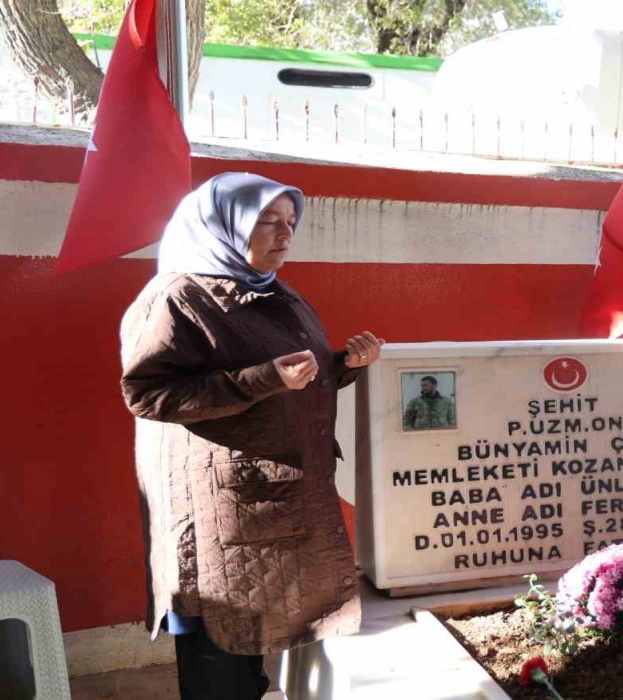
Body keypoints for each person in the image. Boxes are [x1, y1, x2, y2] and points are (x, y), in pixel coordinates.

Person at [120, 172, 385, 699]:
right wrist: (264, 379)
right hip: (219, 510)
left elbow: (289, 376)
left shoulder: (277, 293)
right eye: (267, 221)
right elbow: (148, 394)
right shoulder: (176, 297)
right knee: (220, 659)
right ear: (223, 225)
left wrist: (342, 365)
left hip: (276, 500)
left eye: (291, 222)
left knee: (254, 650)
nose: (285, 234)